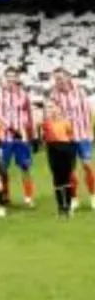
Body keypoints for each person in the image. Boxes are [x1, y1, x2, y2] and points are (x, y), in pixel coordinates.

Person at [49, 68, 94, 211]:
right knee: (70, 169)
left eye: (61, 78)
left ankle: (93, 196)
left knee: (87, 165)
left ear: (68, 77)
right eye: (56, 79)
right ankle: (74, 198)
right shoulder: (54, 95)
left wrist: (90, 131)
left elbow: (88, 111)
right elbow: (54, 116)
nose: (59, 81)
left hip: (82, 135)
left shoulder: (80, 90)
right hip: (66, 138)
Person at [0, 67, 35, 208]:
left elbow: (29, 115)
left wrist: (32, 135)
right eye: (8, 76)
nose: (10, 79)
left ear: (17, 78)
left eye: (13, 76)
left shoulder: (24, 94)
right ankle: (6, 195)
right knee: (2, 168)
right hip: (4, 137)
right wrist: (10, 128)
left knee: (25, 167)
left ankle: (28, 197)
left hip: (21, 137)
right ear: (5, 78)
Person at [41, 100, 78, 218]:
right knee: (57, 179)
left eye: (53, 107)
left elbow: (71, 137)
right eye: (49, 108)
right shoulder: (45, 124)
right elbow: (43, 138)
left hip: (65, 149)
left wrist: (71, 154)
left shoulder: (66, 122)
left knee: (67, 178)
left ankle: (68, 206)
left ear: (59, 108)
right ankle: (60, 207)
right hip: (52, 150)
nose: (51, 110)